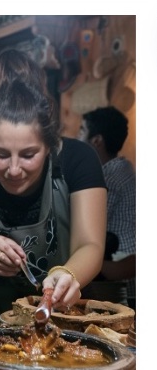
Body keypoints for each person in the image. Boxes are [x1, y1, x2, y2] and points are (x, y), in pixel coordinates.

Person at [0, 48, 106, 314]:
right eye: (1, 154)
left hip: (69, 312)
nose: (14, 170)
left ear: (49, 146)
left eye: (29, 155)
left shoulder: (78, 159)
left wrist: (67, 273)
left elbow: (91, 245)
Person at [79, 105, 136, 307]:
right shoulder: (123, 168)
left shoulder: (108, 178)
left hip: (120, 276)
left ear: (97, 141)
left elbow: (86, 225)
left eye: (82, 130)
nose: (78, 138)